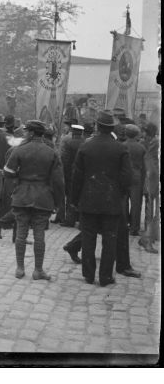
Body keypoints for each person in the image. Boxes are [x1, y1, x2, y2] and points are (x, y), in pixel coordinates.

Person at [71, 110, 134, 286]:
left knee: (88, 238)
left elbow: (76, 176)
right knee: (110, 240)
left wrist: (75, 200)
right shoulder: (121, 148)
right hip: (112, 201)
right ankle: (106, 276)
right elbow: (127, 178)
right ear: (112, 128)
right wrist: (118, 194)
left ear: (98, 126)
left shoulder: (86, 146)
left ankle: (88, 275)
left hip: (88, 200)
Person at [4, 120, 64, 280]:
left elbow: (8, 171)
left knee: (21, 233)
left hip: (22, 195)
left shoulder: (19, 150)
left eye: (25, 131)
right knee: (39, 235)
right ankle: (38, 270)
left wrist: (20, 177)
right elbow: (58, 181)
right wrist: (58, 203)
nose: (24, 134)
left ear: (31, 133)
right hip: (43, 197)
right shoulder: (51, 152)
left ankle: (20, 268)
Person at [139, 122, 159, 253]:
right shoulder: (148, 142)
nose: (143, 134)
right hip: (150, 180)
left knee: (151, 210)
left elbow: (149, 161)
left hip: (152, 180)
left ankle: (147, 239)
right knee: (150, 210)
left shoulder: (154, 143)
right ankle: (147, 240)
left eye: (145, 131)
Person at [60, 124, 85, 227]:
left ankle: (70, 220)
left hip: (71, 173)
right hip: (83, 174)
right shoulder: (85, 143)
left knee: (70, 196)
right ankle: (80, 219)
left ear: (73, 132)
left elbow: (65, 159)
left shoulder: (69, 143)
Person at [123, 124, 145, 236]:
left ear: (126, 134)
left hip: (124, 175)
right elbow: (144, 166)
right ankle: (134, 227)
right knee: (136, 203)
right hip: (137, 175)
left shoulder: (122, 146)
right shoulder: (141, 147)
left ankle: (124, 223)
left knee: (124, 201)